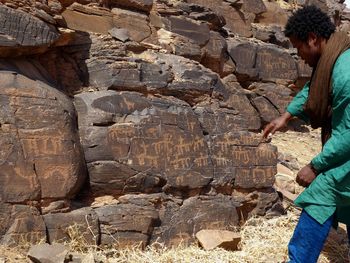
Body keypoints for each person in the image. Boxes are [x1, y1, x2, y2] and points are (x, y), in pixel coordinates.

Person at [262, 5, 350, 263]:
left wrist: (315, 165)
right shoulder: (335, 58)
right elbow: (315, 87)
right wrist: (286, 116)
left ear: (313, 38)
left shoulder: (345, 72)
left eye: (299, 46)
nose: (299, 55)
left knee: (321, 195)